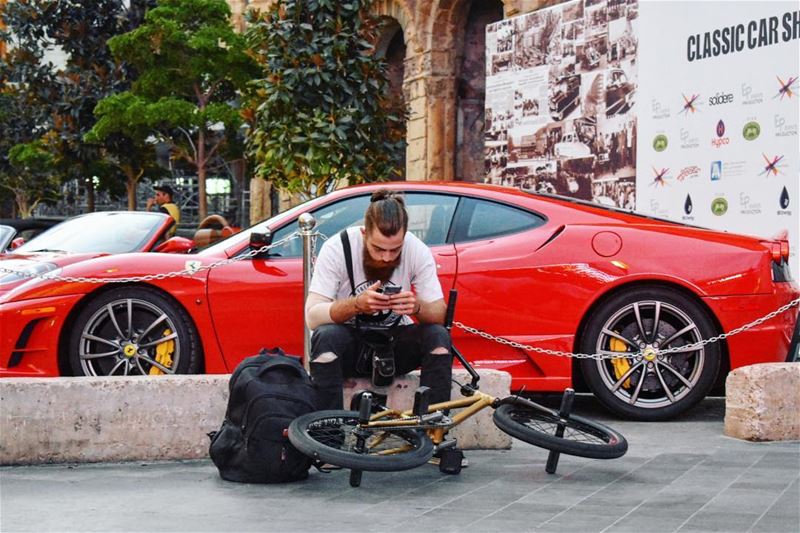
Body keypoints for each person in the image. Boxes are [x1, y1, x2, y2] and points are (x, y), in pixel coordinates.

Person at [305, 189, 452, 412]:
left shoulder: (416, 249)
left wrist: (417, 307)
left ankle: (435, 430)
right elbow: (313, 316)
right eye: (378, 249)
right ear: (364, 234)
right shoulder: (337, 248)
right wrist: (356, 305)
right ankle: (328, 433)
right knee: (326, 337)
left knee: (438, 337)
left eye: (395, 250)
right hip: (350, 344)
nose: (386, 257)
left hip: (395, 344)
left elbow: (440, 314)